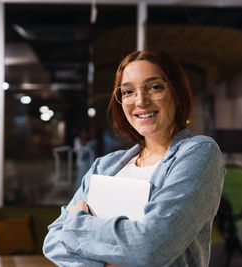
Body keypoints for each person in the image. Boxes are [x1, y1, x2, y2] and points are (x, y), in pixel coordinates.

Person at [43, 48, 225, 266]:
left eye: (155, 87)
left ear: (177, 94)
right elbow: (53, 241)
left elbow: (151, 247)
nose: (140, 100)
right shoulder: (105, 166)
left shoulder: (199, 153)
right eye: (128, 91)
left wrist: (76, 223)